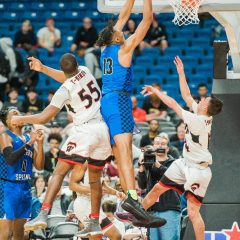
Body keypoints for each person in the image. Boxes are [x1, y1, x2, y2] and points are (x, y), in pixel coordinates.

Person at [11, 54, 113, 236]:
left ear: (63, 68)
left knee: (59, 172)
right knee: (95, 179)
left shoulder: (64, 91)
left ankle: (43, 213)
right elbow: (68, 76)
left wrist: (20, 119)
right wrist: (42, 69)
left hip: (85, 131)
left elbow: (44, 117)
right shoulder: (85, 71)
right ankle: (94, 221)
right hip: (102, 130)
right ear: (77, 64)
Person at [95, 0, 165, 228]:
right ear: (115, 37)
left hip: (106, 101)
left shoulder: (106, 49)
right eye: (120, 33)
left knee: (120, 151)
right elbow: (145, 22)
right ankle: (133, 199)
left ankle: (132, 202)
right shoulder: (124, 48)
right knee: (125, 151)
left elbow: (123, 16)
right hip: (119, 100)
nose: (123, 33)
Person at [140, 56, 223, 240]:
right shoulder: (201, 113)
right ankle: (136, 216)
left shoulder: (197, 120)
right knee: (156, 189)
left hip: (198, 170)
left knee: (193, 212)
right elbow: (186, 96)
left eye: (204, 100)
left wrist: (155, 91)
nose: (201, 100)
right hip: (185, 162)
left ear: (206, 107)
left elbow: (173, 104)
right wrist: (181, 72)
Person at [0, 108, 44, 240]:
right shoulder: (5, 136)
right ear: (8, 121)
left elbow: (39, 166)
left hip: (25, 187)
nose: (19, 115)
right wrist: (30, 143)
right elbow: (11, 159)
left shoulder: (27, 137)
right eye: (14, 114)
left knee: (20, 233)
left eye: (19, 113)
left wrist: (40, 144)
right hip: (8, 187)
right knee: (5, 233)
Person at [138, 134, 181, 239]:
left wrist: (158, 166)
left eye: (163, 144)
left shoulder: (175, 163)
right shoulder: (148, 163)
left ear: (168, 148)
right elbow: (142, 185)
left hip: (169, 208)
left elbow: (173, 178)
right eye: (157, 144)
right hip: (152, 209)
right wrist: (142, 168)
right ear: (153, 147)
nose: (159, 146)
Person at [69, 161, 122, 239]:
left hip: (93, 205)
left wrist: (117, 193)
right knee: (116, 236)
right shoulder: (84, 163)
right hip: (83, 204)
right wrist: (93, 189)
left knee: (96, 237)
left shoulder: (101, 164)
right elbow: (72, 186)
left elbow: (104, 187)